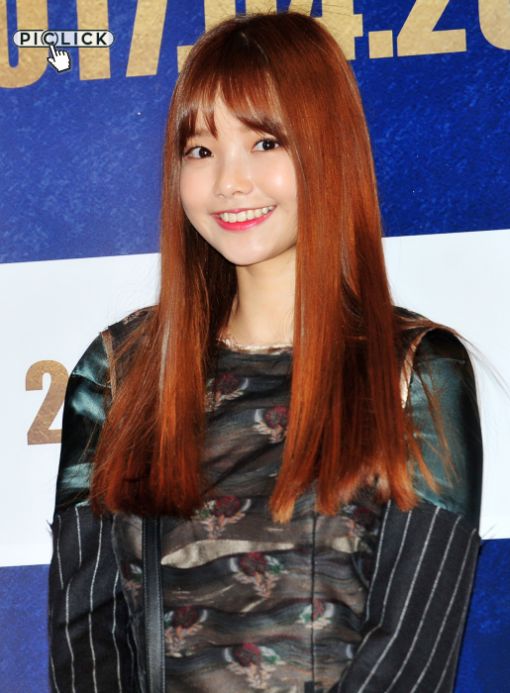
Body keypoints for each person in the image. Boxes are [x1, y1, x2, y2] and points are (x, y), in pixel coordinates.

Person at [48, 11, 483, 693]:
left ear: (327, 148)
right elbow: (87, 642)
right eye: (200, 150)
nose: (230, 181)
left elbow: (412, 654)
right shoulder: (117, 372)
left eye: (264, 142)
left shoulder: (414, 371)